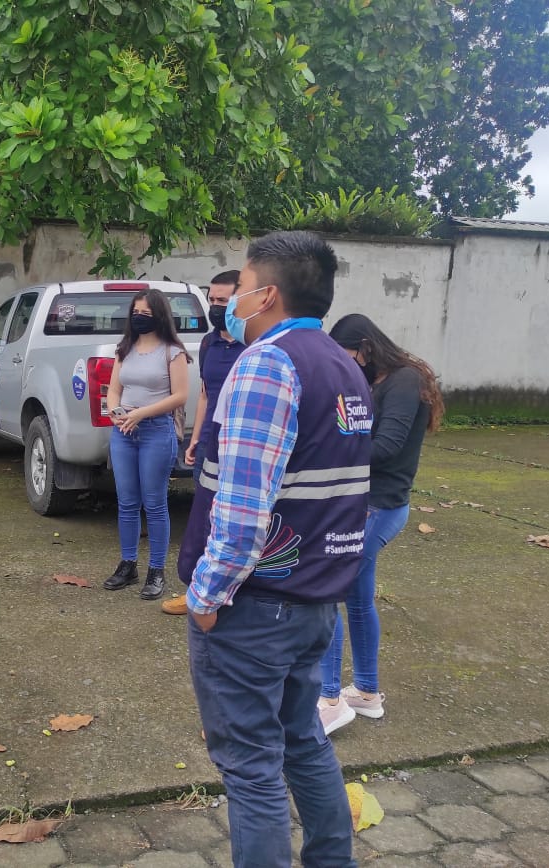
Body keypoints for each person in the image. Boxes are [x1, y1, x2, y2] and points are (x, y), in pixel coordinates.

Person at [187, 231, 371, 867]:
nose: (230, 301)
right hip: (315, 598)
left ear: (265, 295)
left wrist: (206, 595)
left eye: (238, 287)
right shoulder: (343, 364)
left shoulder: (266, 364)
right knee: (304, 742)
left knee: (252, 767)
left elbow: (243, 507)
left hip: (254, 607)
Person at [317, 313, 444, 734]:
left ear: (366, 348)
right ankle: (366, 693)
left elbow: (387, 445)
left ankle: (328, 700)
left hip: (379, 507)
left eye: (348, 356)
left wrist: (329, 453)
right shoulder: (376, 381)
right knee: (356, 598)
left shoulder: (404, 380)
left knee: (325, 592)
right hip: (365, 505)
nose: (346, 365)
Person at [165, 270, 244, 616]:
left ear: (239, 302)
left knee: (234, 523)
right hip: (209, 445)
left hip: (241, 448)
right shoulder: (209, 343)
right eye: (211, 299)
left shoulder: (255, 346)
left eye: (222, 301)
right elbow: (206, 395)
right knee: (204, 522)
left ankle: (234, 594)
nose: (215, 306)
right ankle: (198, 593)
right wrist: (195, 437)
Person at [103, 288, 190, 601]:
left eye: (146, 314)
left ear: (160, 316)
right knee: (127, 501)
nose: (139, 318)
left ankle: (156, 571)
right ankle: (128, 565)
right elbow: (114, 389)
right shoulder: (124, 348)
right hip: (124, 432)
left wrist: (141, 413)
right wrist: (116, 411)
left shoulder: (172, 352)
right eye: (135, 313)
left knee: (154, 503)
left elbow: (180, 395)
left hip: (156, 431)